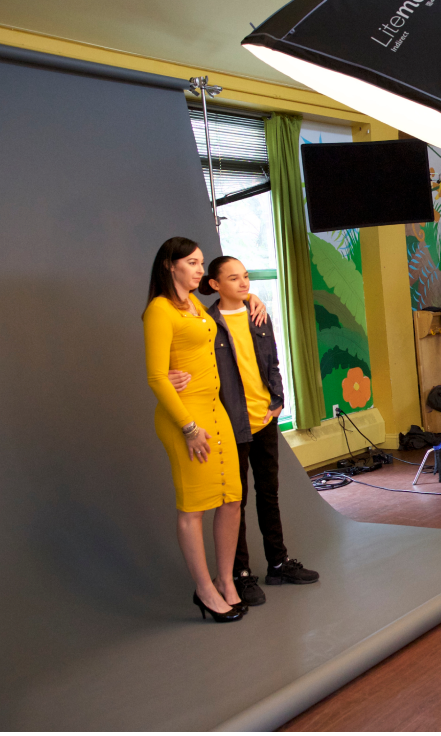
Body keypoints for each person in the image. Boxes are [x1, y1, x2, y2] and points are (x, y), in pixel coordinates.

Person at [168, 256, 318, 607]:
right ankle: (240, 574)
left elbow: (272, 362)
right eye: (234, 278)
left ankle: (278, 563)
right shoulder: (208, 322)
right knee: (234, 503)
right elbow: (191, 357)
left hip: (265, 418)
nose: (244, 283)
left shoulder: (257, 314)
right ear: (215, 284)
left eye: (246, 277)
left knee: (269, 494)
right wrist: (171, 375)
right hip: (231, 424)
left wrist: (278, 399)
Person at [142, 237, 244, 623]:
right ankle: (204, 590)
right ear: (170, 265)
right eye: (192, 262)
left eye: (202, 263)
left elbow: (220, 314)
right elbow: (156, 377)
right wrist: (188, 428)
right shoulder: (159, 309)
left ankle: (226, 581)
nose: (200, 269)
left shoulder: (194, 304)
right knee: (194, 508)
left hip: (215, 412)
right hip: (186, 418)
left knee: (231, 499)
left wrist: (253, 299)